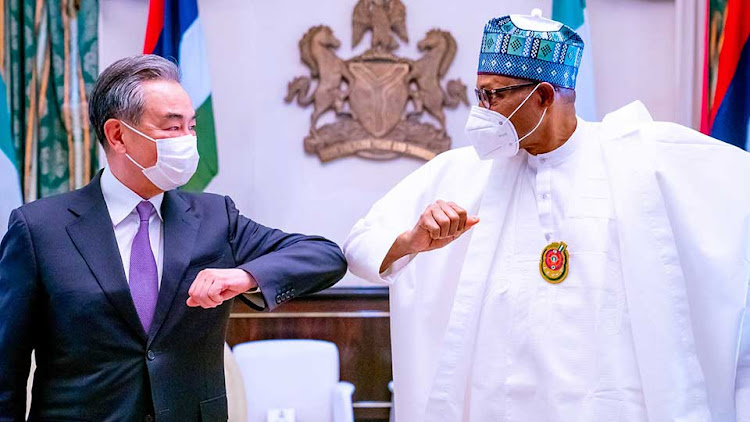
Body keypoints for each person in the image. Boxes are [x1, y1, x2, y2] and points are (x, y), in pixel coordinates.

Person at [344, 10, 750, 422]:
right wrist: (410, 242)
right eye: (479, 94)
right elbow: (359, 245)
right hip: (493, 405)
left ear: (543, 96)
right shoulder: (460, 171)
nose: (481, 110)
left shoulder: (637, 160)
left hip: (606, 405)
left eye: (494, 95)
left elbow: (735, 190)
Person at [0, 54, 347, 421]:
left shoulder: (216, 218)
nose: (187, 141)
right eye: (172, 127)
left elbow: (324, 256)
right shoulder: (39, 229)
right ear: (118, 135)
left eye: (191, 127)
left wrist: (244, 276)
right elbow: (6, 371)